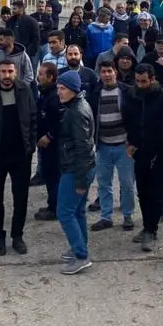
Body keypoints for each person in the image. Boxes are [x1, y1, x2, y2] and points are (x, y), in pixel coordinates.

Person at [0, 56, 37, 255]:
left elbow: (33, 117)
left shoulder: (24, 90)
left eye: (10, 71)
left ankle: (17, 236)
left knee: (21, 198)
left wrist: (31, 145)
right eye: (3, 72)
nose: (7, 75)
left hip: (21, 155)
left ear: (16, 72)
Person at [123, 64, 163, 252]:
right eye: (137, 81)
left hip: (160, 153)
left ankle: (151, 230)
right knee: (143, 192)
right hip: (140, 152)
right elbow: (129, 121)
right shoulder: (132, 95)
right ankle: (147, 226)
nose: (140, 85)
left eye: (144, 81)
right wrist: (131, 142)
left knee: (157, 193)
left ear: (153, 79)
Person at [54, 71, 96, 275]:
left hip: (76, 168)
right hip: (81, 167)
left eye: (62, 89)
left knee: (64, 212)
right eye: (58, 88)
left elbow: (83, 147)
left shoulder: (77, 112)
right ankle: (80, 247)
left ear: (73, 89)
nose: (59, 92)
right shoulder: (77, 106)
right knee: (78, 211)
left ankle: (81, 255)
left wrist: (80, 180)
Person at [86, 62, 135, 230]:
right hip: (103, 145)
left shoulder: (127, 91)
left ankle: (127, 215)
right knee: (103, 183)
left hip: (124, 146)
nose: (106, 75)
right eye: (103, 72)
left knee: (127, 183)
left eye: (109, 71)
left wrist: (133, 141)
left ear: (115, 72)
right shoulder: (95, 93)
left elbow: (135, 117)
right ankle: (106, 217)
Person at [33, 61, 65, 221]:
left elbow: (61, 121)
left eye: (41, 74)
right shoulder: (44, 93)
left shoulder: (55, 96)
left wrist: (49, 136)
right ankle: (52, 204)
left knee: (54, 176)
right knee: (48, 174)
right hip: (44, 145)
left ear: (50, 77)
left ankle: (55, 208)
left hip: (54, 145)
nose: (38, 77)